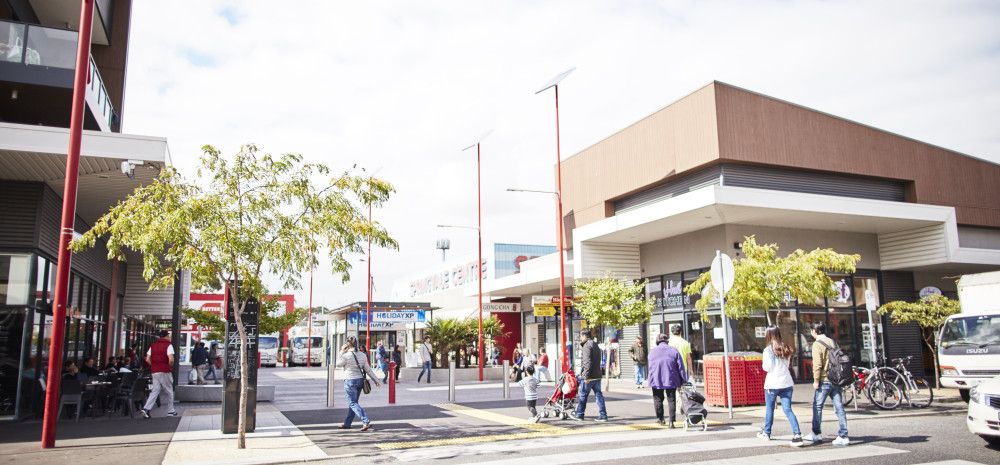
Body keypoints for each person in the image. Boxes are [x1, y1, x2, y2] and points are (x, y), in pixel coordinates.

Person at [757, 326, 804, 446]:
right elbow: (787, 364)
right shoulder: (786, 347)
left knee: (769, 409)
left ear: (768, 335)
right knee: (788, 409)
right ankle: (797, 434)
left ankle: (767, 433)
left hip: (772, 384)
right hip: (786, 382)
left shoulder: (768, 350)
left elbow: (767, 368)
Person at [806, 321, 849, 446]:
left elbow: (818, 365)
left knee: (817, 407)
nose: (811, 332)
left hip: (824, 380)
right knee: (839, 408)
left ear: (814, 331)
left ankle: (816, 433)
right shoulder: (832, 341)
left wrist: (815, 380)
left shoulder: (817, 344)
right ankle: (844, 435)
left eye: (811, 330)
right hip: (836, 379)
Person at [336, 336, 381, 431]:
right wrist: (376, 380)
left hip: (350, 381)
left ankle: (365, 421)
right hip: (360, 381)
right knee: (353, 403)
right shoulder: (362, 355)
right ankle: (347, 423)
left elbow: (338, 364)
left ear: (347, 344)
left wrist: (341, 352)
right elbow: (368, 370)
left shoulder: (346, 355)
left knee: (352, 403)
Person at [647, 333, 687, 427]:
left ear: (657, 341)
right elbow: (681, 367)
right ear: (667, 341)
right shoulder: (674, 351)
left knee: (658, 399)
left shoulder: (652, 352)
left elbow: (650, 367)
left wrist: (650, 379)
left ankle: (660, 419)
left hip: (656, 379)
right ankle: (671, 422)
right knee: (671, 399)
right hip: (671, 378)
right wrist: (683, 379)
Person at [573, 329, 608, 422]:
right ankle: (603, 415)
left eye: (581, 336)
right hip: (597, 374)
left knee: (583, 395)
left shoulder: (586, 346)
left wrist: (586, 376)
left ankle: (579, 414)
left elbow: (587, 362)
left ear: (585, 336)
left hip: (590, 376)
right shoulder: (595, 344)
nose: (580, 338)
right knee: (598, 395)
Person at [141, 330, 177, 418]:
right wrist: (169, 367)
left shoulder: (153, 346)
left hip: (155, 371)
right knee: (169, 391)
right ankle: (170, 411)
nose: (169, 337)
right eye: (169, 336)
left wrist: (153, 365)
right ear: (166, 336)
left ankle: (146, 409)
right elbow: (171, 359)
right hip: (165, 371)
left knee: (155, 390)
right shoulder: (168, 345)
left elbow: (147, 359)